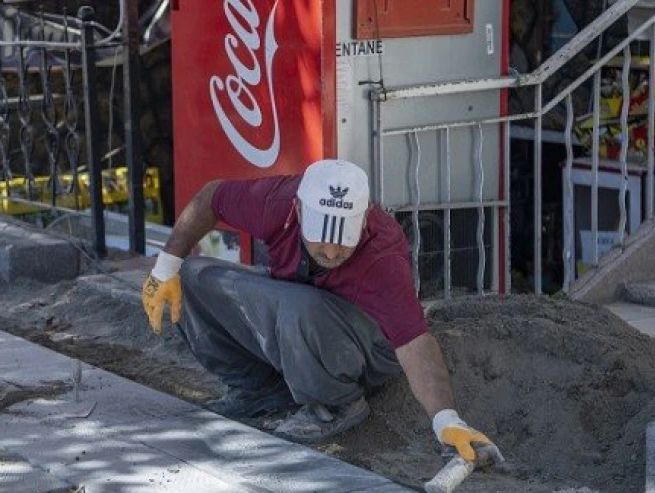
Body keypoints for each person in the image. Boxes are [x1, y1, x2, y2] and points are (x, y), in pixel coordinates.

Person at [140, 159, 499, 461]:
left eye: (342, 240)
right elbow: (211, 198)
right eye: (319, 237)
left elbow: (415, 344)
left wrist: (446, 419)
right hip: (303, 312)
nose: (329, 252)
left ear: (364, 217)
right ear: (297, 211)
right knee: (191, 277)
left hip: (365, 345)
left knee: (300, 307)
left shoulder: (382, 256)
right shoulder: (276, 201)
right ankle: (259, 390)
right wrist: (164, 268)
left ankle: (335, 404)